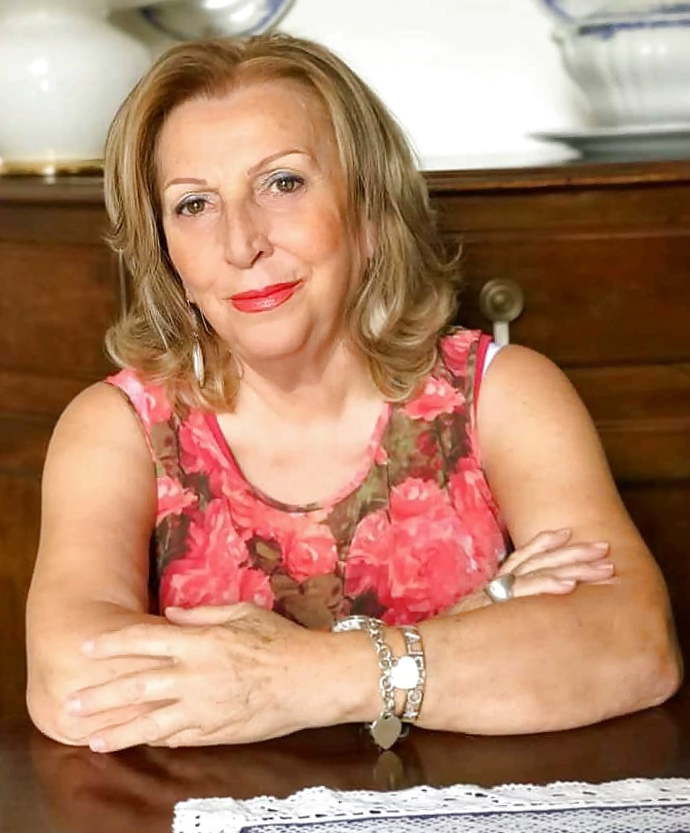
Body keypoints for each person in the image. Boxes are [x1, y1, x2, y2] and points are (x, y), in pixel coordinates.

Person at [26, 34, 681, 754]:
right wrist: (468, 631)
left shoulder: (502, 392)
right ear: (167, 256)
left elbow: (633, 645)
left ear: (369, 212)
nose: (241, 243)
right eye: (194, 204)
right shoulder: (116, 426)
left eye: (283, 183)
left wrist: (300, 676)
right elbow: (72, 686)